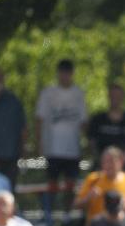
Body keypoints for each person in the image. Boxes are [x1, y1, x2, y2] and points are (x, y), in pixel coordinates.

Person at [36, 59, 87, 211]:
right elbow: (39, 119)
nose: (65, 76)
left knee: (70, 184)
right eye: (62, 72)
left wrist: (87, 143)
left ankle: (67, 214)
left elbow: (84, 121)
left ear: (71, 74)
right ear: (58, 73)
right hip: (53, 148)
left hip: (72, 148)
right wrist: (39, 144)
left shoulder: (78, 94)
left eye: (67, 73)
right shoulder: (48, 93)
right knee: (52, 183)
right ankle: (50, 214)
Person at [73, 146, 125, 223]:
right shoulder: (93, 179)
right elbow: (76, 205)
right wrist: (88, 197)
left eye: (111, 161)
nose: (108, 165)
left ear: (120, 162)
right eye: (105, 162)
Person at [87, 83, 125, 167]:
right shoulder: (98, 119)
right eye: (113, 96)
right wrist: (99, 159)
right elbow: (91, 142)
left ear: (123, 98)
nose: (115, 99)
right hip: (103, 167)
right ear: (108, 97)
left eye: (118, 96)